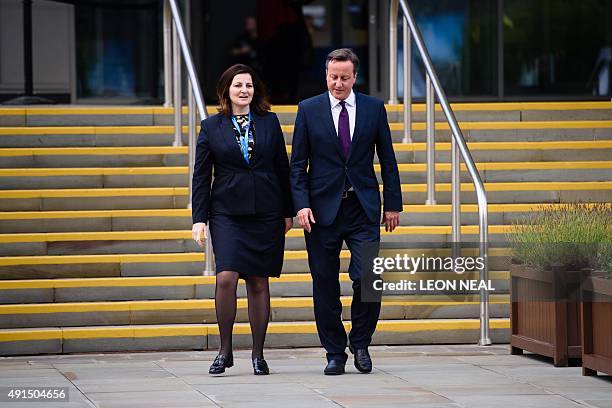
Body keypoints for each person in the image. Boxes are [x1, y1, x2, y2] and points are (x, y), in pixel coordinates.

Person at [290, 48, 402, 375]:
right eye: (332, 77)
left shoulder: (373, 108)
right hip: (321, 211)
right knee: (324, 283)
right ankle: (334, 353)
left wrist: (393, 203)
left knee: (369, 278)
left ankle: (362, 343)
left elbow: (388, 160)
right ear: (326, 76)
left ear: (355, 77)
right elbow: (297, 166)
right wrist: (301, 204)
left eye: (344, 77)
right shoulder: (308, 110)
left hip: (362, 208)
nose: (338, 83)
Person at [191, 64, 294, 376]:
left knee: (259, 281)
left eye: (249, 85)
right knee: (226, 277)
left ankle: (258, 355)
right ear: (227, 91)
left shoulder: (269, 122)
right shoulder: (211, 127)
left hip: (266, 210)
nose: (244, 90)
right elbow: (200, 176)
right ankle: (225, 351)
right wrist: (199, 218)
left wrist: (288, 210)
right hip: (226, 212)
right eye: (238, 85)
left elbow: (282, 167)